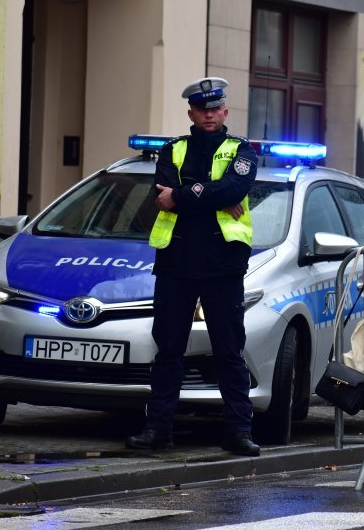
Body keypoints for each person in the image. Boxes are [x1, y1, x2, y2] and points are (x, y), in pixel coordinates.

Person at [126, 77, 261, 457]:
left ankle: (238, 431)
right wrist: (212, 195)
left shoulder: (243, 150)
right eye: (202, 109)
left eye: (215, 108)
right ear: (191, 113)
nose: (209, 114)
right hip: (177, 261)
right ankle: (159, 431)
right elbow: (162, 198)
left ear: (225, 112)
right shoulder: (173, 150)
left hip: (223, 264)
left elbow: (234, 190)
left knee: (228, 351)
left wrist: (187, 194)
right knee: (168, 350)